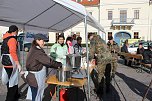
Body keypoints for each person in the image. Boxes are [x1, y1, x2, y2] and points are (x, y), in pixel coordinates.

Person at [25, 33, 62, 101]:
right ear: (37, 40)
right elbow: (48, 62)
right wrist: (59, 64)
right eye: (43, 41)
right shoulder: (37, 51)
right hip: (36, 75)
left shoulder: (35, 48)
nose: (44, 43)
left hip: (34, 74)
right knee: (37, 94)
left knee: (34, 93)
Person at [1, 25, 22, 101]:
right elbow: (13, 52)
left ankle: (16, 95)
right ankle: (10, 98)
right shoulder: (12, 39)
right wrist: (18, 63)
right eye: (17, 31)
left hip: (6, 63)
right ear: (15, 31)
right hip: (11, 64)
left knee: (11, 81)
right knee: (12, 83)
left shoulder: (5, 38)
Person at [88, 33, 113, 98]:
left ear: (90, 37)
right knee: (107, 74)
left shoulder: (93, 40)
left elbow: (91, 51)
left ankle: (100, 91)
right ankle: (108, 87)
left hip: (102, 59)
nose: (89, 41)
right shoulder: (101, 39)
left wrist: (89, 59)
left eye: (89, 39)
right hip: (109, 58)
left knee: (100, 74)